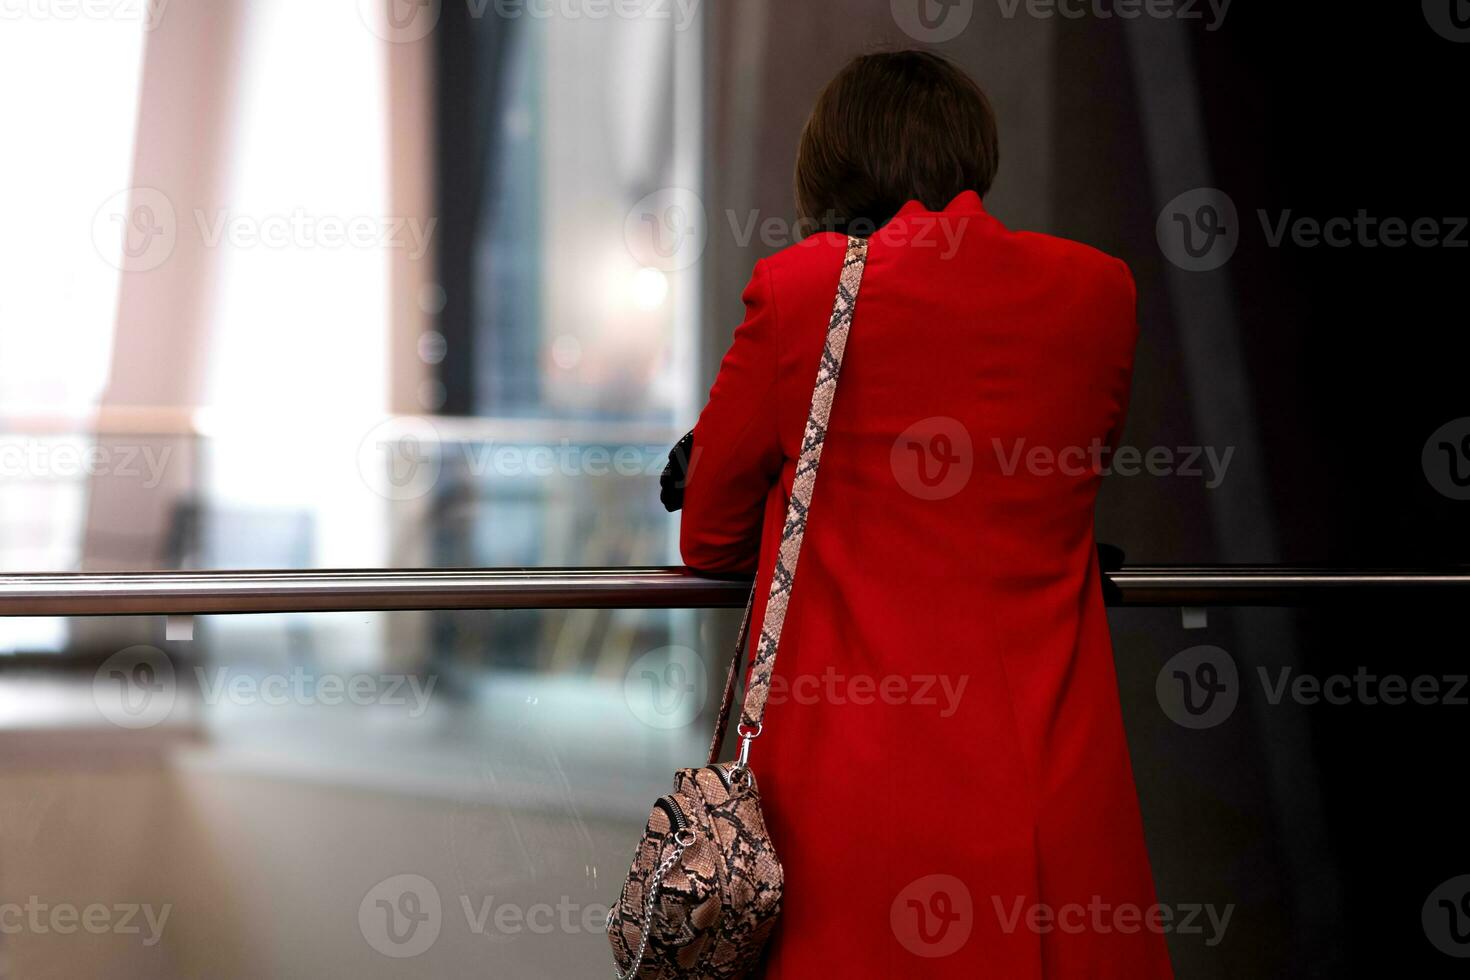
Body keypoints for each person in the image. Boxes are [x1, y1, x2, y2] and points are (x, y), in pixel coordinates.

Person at [673, 50, 1174, 977]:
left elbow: (707, 539)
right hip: (1053, 789)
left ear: (832, 163)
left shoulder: (800, 289)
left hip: (852, 804)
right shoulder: (1101, 293)